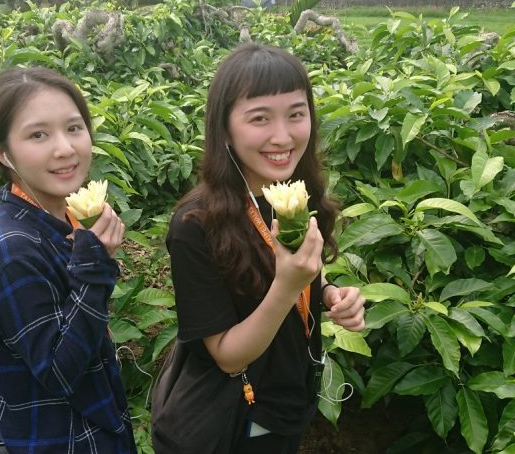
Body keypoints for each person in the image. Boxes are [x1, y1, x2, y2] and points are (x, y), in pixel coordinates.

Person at [152, 43, 366, 453]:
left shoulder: (291, 196)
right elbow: (229, 357)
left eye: (296, 114)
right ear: (225, 129)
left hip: (285, 402)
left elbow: (296, 274)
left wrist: (328, 293)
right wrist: (288, 286)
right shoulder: (195, 226)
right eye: (260, 118)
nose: (282, 136)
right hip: (231, 422)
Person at [0, 66, 135, 454]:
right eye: (38, 135)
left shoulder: (59, 216)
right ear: (2, 151)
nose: (65, 148)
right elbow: (59, 372)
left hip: (95, 428)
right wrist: (96, 271)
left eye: (74, 128)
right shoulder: (13, 249)